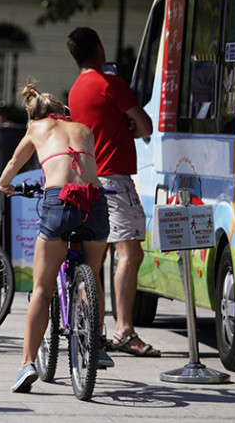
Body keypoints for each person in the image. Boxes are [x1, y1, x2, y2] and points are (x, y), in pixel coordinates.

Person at [0, 79, 111, 393]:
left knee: (42, 290)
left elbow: (13, 164)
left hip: (59, 201)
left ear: (36, 115)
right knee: (94, 273)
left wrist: (2, 185)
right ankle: (96, 344)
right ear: (62, 112)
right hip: (95, 201)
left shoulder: (35, 129)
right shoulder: (83, 128)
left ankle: (26, 364)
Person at [66, 26, 160, 358]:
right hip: (114, 180)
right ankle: (124, 330)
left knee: (97, 258)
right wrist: (129, 125)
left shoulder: (76, 90)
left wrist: (122, 126)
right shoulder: (110, 83)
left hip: (88, 180)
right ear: (100, 48)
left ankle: (96, 330)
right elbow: (145, 126)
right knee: (131, 254)